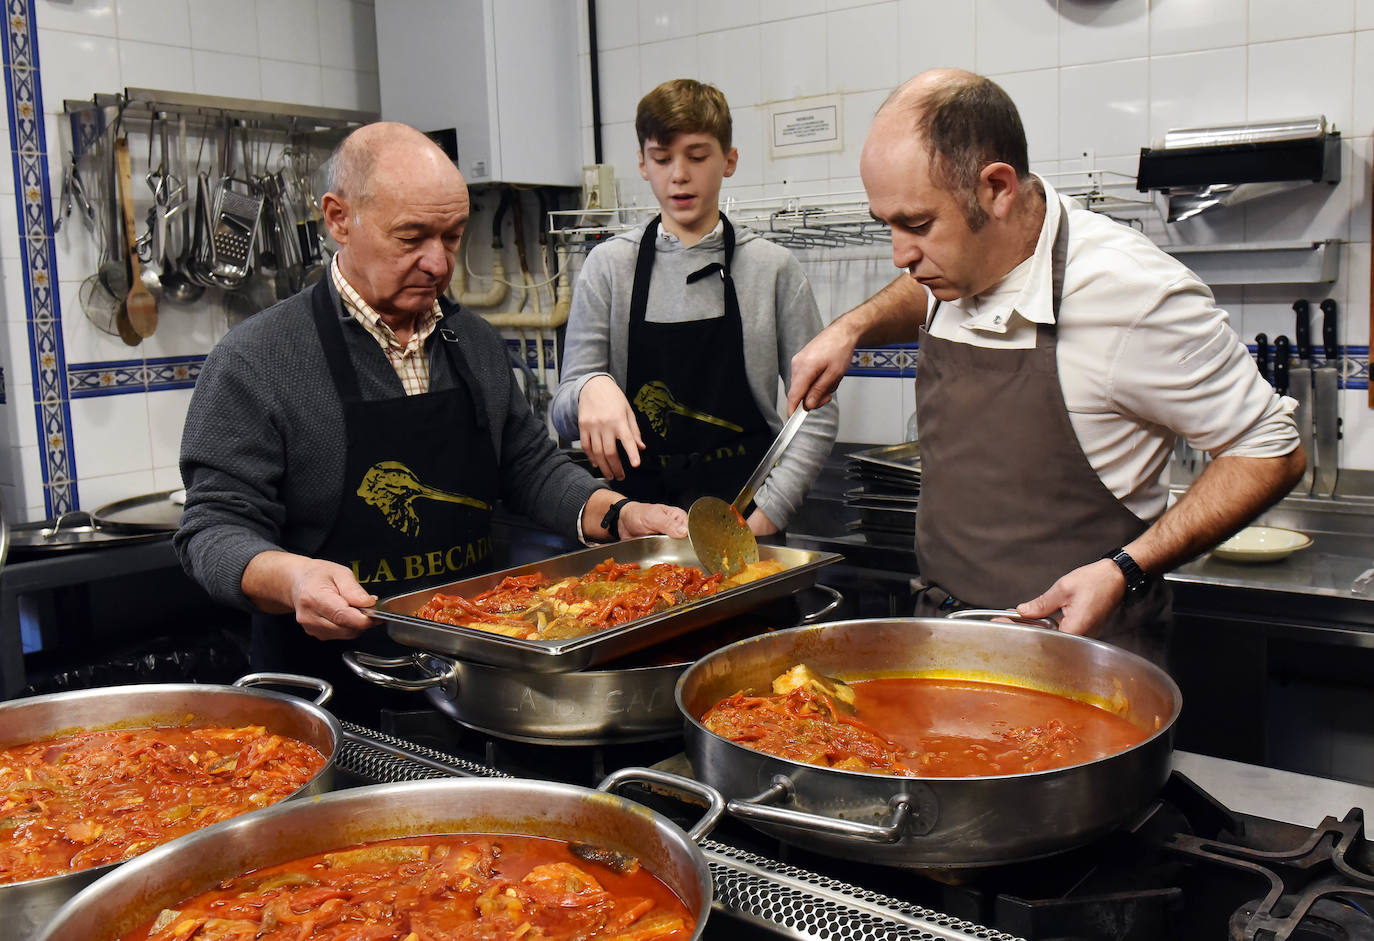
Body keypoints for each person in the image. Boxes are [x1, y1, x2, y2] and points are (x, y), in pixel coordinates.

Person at [175, 122, 687, 721]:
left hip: (480, 680)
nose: (439, 263)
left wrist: (616, 514)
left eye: (452, 236)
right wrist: (293, 579)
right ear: (339, 219)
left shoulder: (470, 340)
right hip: (333, 699)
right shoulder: (257, 360)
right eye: (412, 237)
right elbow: (210, 531)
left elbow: (526, 466)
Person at [787, 70, 1305, 663]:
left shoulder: (1131, 293)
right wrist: (851, 327)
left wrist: (1124, 569)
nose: (901, 255)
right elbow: (923, 291)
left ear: (997, 188)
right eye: (888, 225)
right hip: (946, 635)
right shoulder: (954, 265)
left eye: (918, 224)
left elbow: (1271, 446)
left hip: (1084, 654)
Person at [550, 79, 838, 536]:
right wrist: (588, 387)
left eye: (697, 156)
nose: (679, 174)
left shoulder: (773, 268)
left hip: (745, 527)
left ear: (729, 160)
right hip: (639, 530)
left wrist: (767, 515)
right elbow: (562, 410)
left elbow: (816, 409)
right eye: (662, 159)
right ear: (642, 164)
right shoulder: (608, 267)